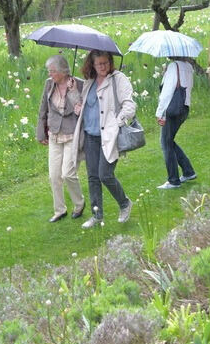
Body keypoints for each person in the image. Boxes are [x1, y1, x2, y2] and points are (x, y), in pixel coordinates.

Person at [70, 50, 135, 228]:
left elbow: (129, 105)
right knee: (92, 177)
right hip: (91, 136)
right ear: (92, 64)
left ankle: (125, 203)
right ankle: (97, 215)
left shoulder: (118, 79)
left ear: (110, 62)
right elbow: (86, 105)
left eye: (106, 63)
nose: (103, 67)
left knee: (105, 174)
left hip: (109, 136)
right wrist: (78, 107)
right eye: (99, 64)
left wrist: (118, 121)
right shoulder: (89, 82)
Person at [36, 55, 85, 222]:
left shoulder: (78, 84)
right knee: (54, 175)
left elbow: (81, 110)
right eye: (49, 71)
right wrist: (40, 132)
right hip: (54, 134)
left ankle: (79, 204)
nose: (50, 74)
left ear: (63, 71)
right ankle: (59, 210)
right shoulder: (49, 84)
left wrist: (73, 93)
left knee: (68, 173)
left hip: (72, 134)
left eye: (53, 71)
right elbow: (43, 108)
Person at [156, 57, 196, 189]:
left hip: (172, 109)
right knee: (169, 140)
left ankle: (173, 180)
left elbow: (167, 92)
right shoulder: (189, 67)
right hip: (184, 108)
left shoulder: (174, 66)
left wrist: (160, 112)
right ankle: (188, 171)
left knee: (165, 142)